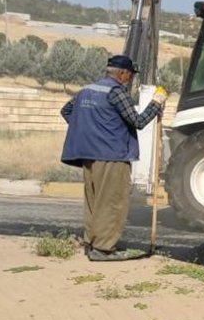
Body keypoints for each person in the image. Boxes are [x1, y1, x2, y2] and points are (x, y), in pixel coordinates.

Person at [60, 55, 167, 261]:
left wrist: (90, 129)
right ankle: (103, 249)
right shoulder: (117, 92)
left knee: (94, 202)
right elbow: (138, 121)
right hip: (112, 157)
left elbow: (66, 111)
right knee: (112, 203)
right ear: (122, 74)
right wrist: (156, 103)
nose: (130, 79)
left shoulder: (87, 90)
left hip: (89, 156)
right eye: (129, 75)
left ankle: (92, 243)